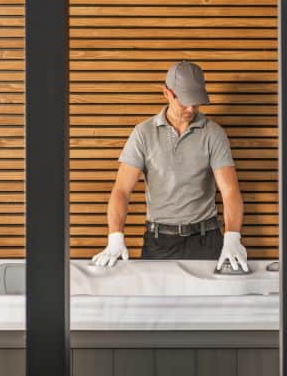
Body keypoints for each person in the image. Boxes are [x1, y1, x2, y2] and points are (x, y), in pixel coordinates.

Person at [92, 61, 248, 271]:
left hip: (206, 241)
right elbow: (121, 190)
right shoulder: (143, 133)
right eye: (185, 101)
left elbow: (230, 191)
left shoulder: (213, 133)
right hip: (159, 243)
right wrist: (115, 236)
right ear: (167, 93)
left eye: (196, 102)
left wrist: (232, 236)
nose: (191, 108)